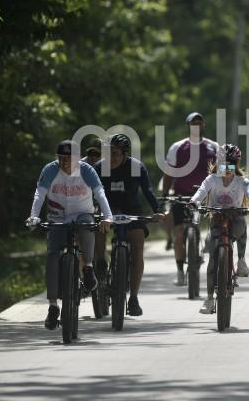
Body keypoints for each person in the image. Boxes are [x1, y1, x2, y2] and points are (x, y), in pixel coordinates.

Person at [26, 140, 113, 330]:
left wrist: (108, 217)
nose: (65, 162)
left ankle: (88, 268)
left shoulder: (87, 170)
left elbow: (100, 193)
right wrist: (33, 216)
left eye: (70, 158)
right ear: (57, 158)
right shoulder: (50, 170)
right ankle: (52, 306)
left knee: (87, 226)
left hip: (82, 212)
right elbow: (39, 195)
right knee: (52, 255)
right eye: (61, 158)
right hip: (57, 216)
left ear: (77, 158)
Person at [190, 144, 249, 314]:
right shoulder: (212, 179)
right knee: (212, 258)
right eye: (224, 163)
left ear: (236, 165)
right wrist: (194, 201)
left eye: (232, 164)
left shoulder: (242, 181)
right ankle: (209, 299)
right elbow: (201, 191)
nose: (227, 168)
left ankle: (241, 260)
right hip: (217, 218)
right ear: (218, 163)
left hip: (235, 217)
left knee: (241, 223)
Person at [93, 134, 164, 316]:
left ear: (124, 153)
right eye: (107, 153)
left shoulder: (136, 167)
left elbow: (148, 190)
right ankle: (100, 264)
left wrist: (158, 210)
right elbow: (90, 192)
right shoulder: (99, 167)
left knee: (138, 245)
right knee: (98, 227)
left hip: (132, 209)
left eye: (115, 154)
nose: (111, 158)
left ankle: (133, 297)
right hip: (108, 209)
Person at [162, 112, 219, 286]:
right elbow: (168, 173)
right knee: (179, 234)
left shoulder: (214, 146)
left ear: (204, 126)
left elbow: (225, 168)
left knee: (217, 229)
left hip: (206, 195)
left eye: (199, 123)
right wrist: (165, 195)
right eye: (193, 123)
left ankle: (220, 262)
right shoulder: (177, 147)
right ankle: (180, 271)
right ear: (188, 126)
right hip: (181, 196)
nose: (197, 126)